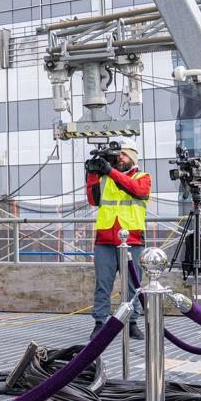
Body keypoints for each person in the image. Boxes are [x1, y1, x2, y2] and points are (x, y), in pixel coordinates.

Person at [85, 137, 150, 340]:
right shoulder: (105, 177)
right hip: (105, 239)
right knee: (103, 284)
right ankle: (100, 323)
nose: (119, 158)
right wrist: (92, 174)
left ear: (132, 156)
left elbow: (137, 190)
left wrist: (110, 171)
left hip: (132, 239)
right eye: (117, 154)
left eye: (123, 154)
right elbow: (93, 200)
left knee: (132, 285)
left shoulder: (143, 177)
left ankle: (132, 323)